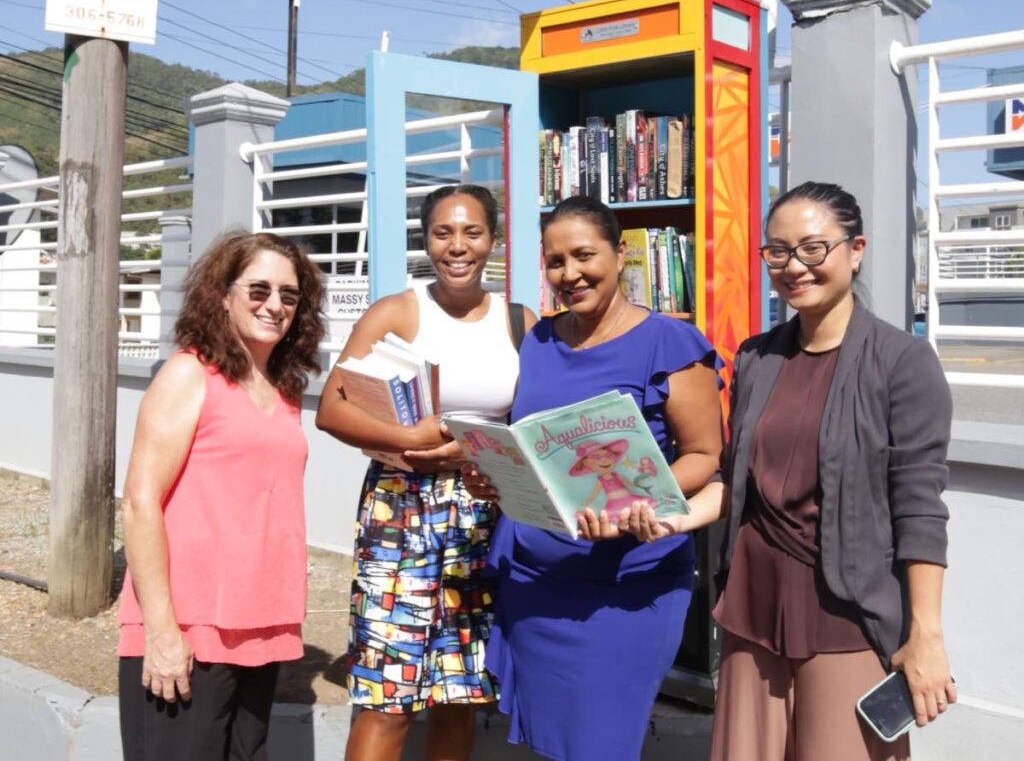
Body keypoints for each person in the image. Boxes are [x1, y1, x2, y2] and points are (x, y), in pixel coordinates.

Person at [619, 182, 957, 760]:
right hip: (753, 607)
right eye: (777, 252)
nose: (794, 266)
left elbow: (919, 506)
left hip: (847, 616)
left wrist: (925, 634)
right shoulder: (755, 356)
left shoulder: (901, 361)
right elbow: (734, 480)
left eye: (812, 248)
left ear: (855, 250)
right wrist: (675, 518)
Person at [463, 195, 724, 760]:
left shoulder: (670, 342)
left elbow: (705, 455)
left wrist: (642, 501)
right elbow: (532, 444)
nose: (569, 274)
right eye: (555, 262)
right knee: (554, 744)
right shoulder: (537, 340)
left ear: (620, 252)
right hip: (535, 579)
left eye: (584, 255)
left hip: (630, 583)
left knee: (601, 745)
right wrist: (496, 478)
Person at [314, 184, 535, 761]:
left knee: (459, 693)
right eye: (443, 233)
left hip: (482, 515)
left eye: (472, 232)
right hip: (400, 513)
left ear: (494, 239)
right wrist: (410, 438)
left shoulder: (519, 321)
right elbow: (331, 408)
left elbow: (529, 428)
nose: (457, 246)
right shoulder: (397, 313)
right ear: (426, 239)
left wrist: (467, 452)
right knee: (388, 697)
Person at [116, 231, 326, 761]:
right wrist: (163, 633)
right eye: (258, 290)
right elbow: (140, 502)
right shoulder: (189, 373)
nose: (274, 305)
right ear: (222, 295)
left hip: (259, 626)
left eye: (289, 295)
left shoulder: (282, 388)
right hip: (191, 628)